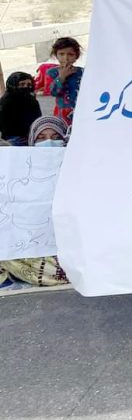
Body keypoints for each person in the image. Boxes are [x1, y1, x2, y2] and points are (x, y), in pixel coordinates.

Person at [0, 116, 70, 288]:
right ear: (32, 141)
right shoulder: (17, 177)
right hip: (33, 247)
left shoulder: (76, 171)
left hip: (66, 248)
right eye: (41, 138)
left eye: (56, 137)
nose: (49, 142)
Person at [46, 37, 83, 125]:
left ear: (76, 56)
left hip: (80, 111)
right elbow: (53, 92)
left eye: (70, 54)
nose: (66, 58)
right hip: (62, 114)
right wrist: (61, 77)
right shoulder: (52, 73)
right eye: (61, 54)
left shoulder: (82, 72)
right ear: (56, 55)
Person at [0, 72, 42, 146]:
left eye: (29, 85)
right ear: (13, 85)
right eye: (22, 84)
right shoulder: (6, 102)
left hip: (31, 136)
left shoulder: (32, 100)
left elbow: (38, 120)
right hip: (12, 138)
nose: (26, 87)